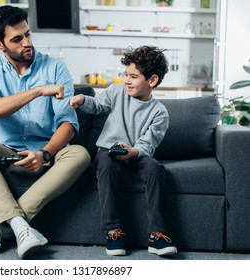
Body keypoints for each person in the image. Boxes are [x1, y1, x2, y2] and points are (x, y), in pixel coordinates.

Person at [0, 5, 90, 259]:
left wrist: (44, 155)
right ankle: (21, 226)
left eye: (28, 35)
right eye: (17, 39)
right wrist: (37, 91)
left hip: (44, 151)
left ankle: (1, 224)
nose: (27, 43)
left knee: (80, 154)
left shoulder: (56, 67)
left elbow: (68, 122)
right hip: (4, 150)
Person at [69, 45, 177, 256]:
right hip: (109, 151)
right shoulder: (117, 91)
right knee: (106, 166)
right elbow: (97, 105)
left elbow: (148, 144)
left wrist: (134, 151)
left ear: (152, 81)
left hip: (137, 154)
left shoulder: (160, 113)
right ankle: (113, 231)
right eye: (126, 74)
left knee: (155, 169)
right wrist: (82, 100)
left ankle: (157, 234)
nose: (127, 80)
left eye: (133, 76)